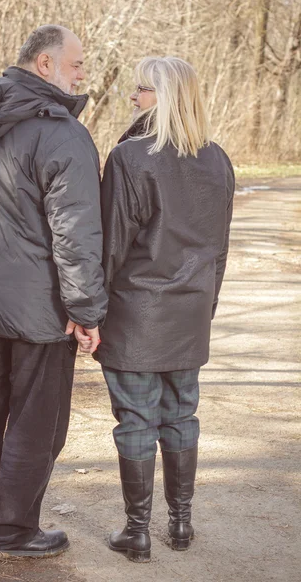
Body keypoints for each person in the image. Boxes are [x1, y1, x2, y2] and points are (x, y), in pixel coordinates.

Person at [0, 25, 107, 559]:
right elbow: (76, 235)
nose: (83, 73)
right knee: (37, 424)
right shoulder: (60, 133)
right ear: (44, 64)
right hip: (41, 314)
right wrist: (85, 310)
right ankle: (12, 533)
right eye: (76, 64)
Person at [78, 56, 234, 562]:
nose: (133, 98)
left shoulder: (130, 158)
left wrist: (91, 313)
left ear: (163, 97)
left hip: (136, 316)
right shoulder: (218, 159)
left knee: (137, 420)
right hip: (188, 315)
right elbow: (219, 252)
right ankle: (182, 525)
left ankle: (138, 531)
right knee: (181, 416)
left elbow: (111, 246)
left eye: (141, 90)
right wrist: (203, 309)